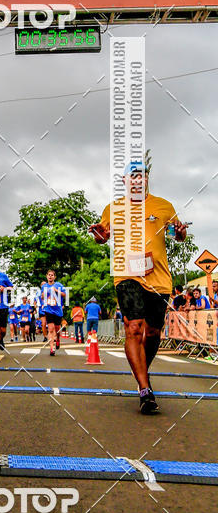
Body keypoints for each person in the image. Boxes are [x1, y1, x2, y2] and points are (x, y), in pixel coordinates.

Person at [89, 160, 187, 415]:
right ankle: (145, 389)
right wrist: (99, 234)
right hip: (126, 274)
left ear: (147, 180)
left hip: (159, 277)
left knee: (153, 332)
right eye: (132, 176)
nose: (137, 180)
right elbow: (103, 238)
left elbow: (179, 235)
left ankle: (142, 370)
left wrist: (180, 231)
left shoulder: (164, 206)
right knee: (134, 327)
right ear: (124, 181)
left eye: (142, 176)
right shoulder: (113, 208)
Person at [40, 269, 66, 356]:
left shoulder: (59, 285)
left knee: (57, 329)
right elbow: (42, 297)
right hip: (48, 310)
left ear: (54, 277)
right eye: (49, 275)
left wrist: (55, 290)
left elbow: (65, 294)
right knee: (50, 329)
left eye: (52, 275)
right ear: (46, 276)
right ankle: (52, 348)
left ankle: (58, 339)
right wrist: (43, 295)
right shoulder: (44, 286)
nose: (50, 276)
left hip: (57, 310)